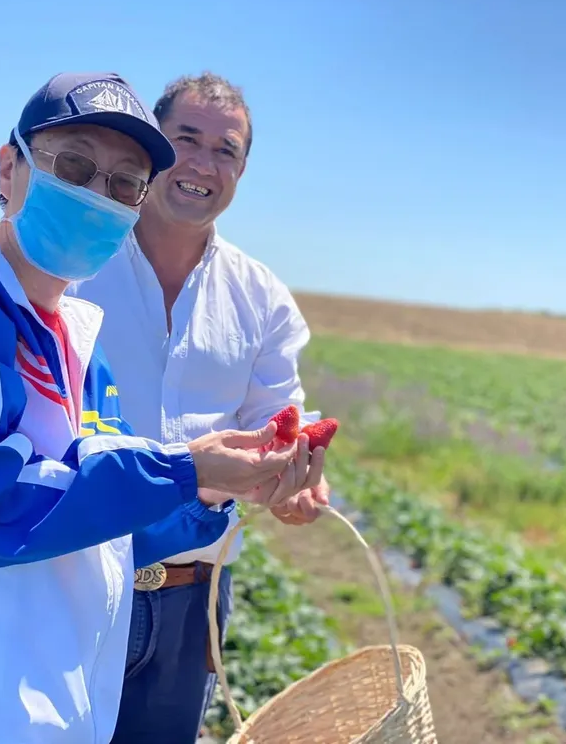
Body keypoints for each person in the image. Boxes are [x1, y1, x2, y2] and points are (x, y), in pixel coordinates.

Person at [0, 71, 323, 744]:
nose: (96, 197)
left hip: (53, 710)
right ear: (8, 168)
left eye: (123, 184)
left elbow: (110, 523)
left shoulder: (77, 339)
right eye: (73, 167)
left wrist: (217, 490)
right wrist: (188, 470)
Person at [67, 72, 330, 743]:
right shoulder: (75, 264)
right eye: (186, 140)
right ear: (153, 145)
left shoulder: (260, 297)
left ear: (242, 170)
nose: (203, 165)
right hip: (70, 581)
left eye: (225, 151)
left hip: (194, 598)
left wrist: (293, 477)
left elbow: (278, 422)